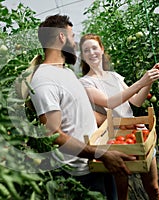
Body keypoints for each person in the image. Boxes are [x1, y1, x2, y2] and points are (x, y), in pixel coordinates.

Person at [28, 14, 136, 200]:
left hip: (98, 161)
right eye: (72, 36)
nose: (74, 42)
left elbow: (84, 113)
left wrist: (120, 126)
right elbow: (53, 134)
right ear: (61, 37)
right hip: (82, 173)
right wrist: (100, 154)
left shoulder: (66, 73)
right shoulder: (44, 80)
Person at [79, 33, 159, 200]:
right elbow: (109, 102)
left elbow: (137, 101)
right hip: (115, 142)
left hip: (138, 135)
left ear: (102, 49)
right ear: (82, 56)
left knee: (154, 189)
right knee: (122, 195)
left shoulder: (114, 76)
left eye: (94, 48)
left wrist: (149, 81)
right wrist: (141, 81)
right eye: (86, 50)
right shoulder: (85, 83)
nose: (92, 53)